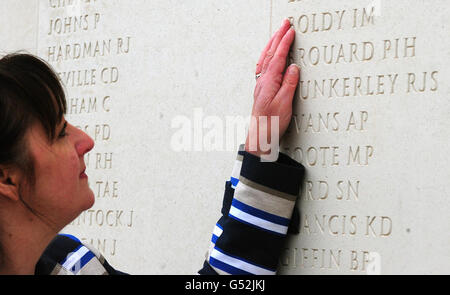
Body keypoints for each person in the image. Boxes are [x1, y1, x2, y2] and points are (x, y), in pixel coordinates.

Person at [0, 19, 303, 275]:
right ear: (7, 179)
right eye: (60, 132)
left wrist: (260, 147)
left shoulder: (68, 263)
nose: (87, 141)